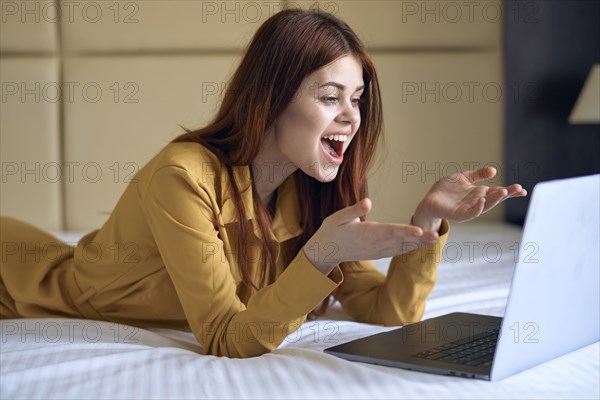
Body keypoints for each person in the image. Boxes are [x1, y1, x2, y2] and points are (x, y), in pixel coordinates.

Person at [0, 9, 526, 358]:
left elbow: (389, 312)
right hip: (18, 285)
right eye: (329, 97)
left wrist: (426, 220)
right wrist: (317, 260)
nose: (352, 117)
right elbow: (227, 338)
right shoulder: (183, 176)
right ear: (271, 100)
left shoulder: (311, 191)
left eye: (357, 98)